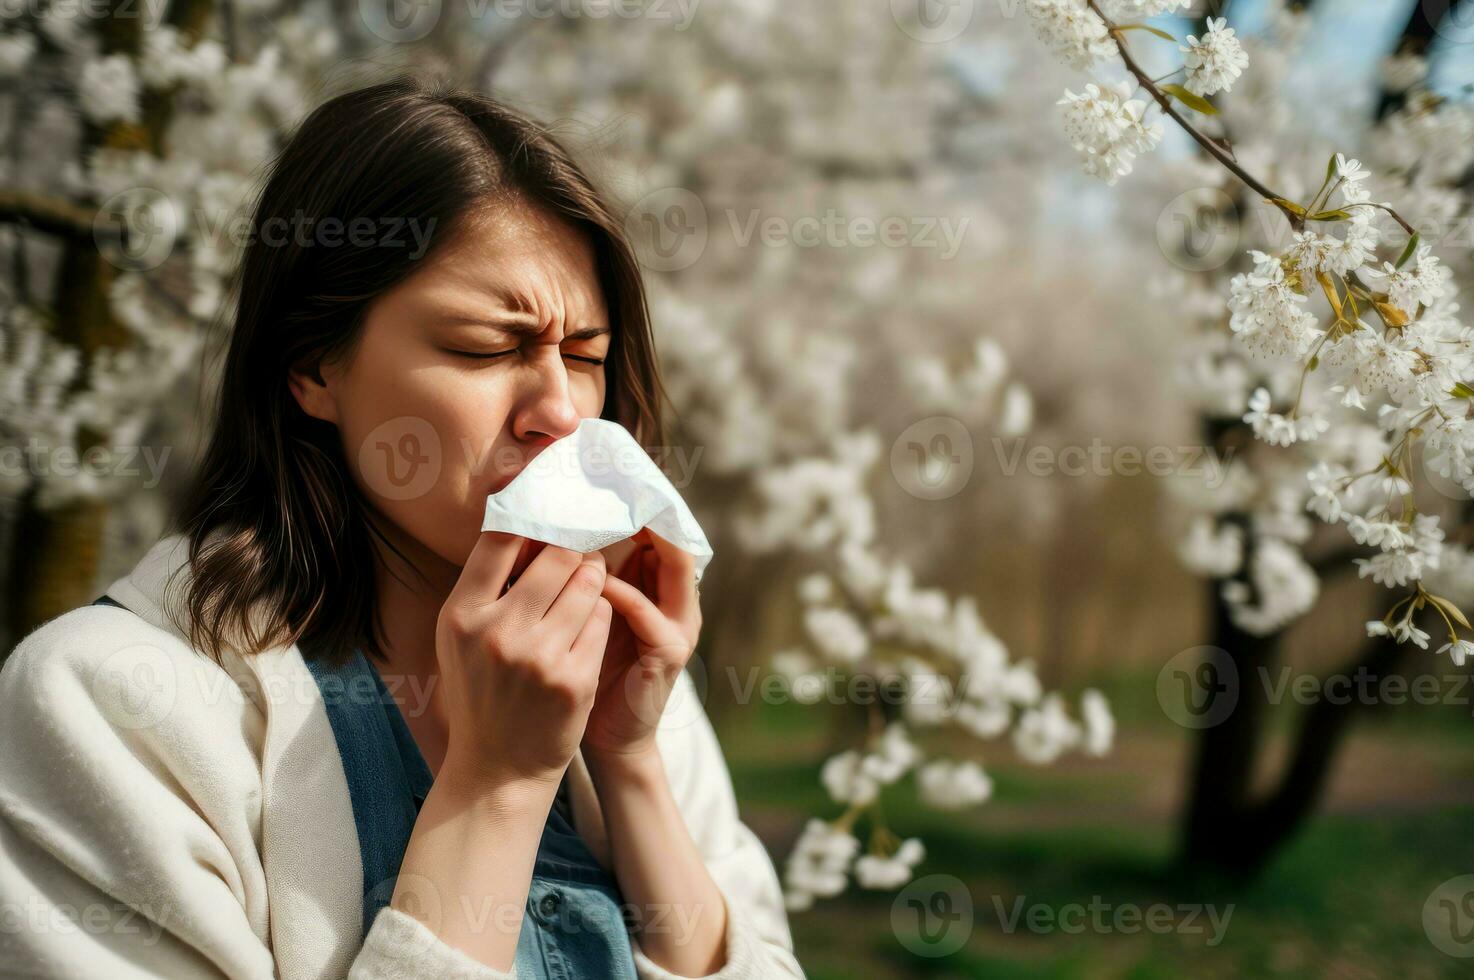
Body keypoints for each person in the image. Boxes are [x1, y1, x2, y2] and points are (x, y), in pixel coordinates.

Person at [0, 75, 803, 980]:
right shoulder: (111, 707)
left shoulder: (610, 666)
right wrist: (494, 787)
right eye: (484, 347)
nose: (560, 412)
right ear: (313, 365)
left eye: (586, 358)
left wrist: (630, 761)